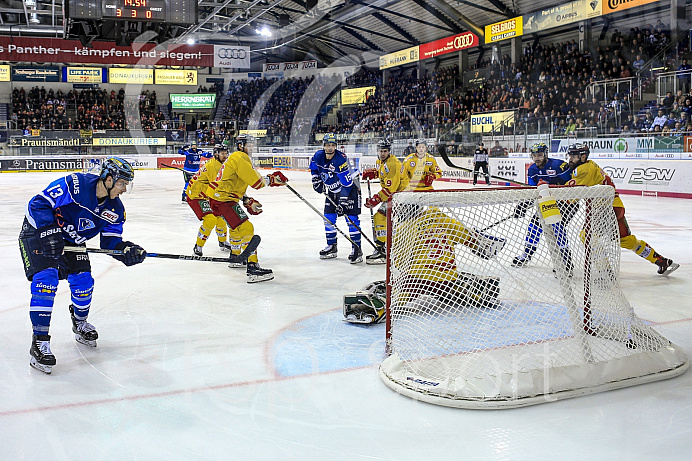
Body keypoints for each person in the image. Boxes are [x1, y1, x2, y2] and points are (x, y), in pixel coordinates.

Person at [19, 157, 147, 374]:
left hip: (70, 241)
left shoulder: (115, 210)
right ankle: (39, 342)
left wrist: (125, 250)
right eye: (122, 183)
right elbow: (38, 204)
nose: (124, 189)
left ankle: (79, 322)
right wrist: (48, 231)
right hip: (39, 232)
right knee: (46, 280)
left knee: (84, 283)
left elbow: (109, 242)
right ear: (108, 179)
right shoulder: (75, 184)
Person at [566, 143, 679, 276]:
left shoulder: (583, 169)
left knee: (587, 236)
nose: (570, 159)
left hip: (604, 208)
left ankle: (605, 271)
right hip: (615, 206)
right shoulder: (591, 164)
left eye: (573, 156)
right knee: (626, 240)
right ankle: (661, 261)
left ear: (583, 157)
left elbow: (572, 197)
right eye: (570, 156)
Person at [207, 134, 288, 283]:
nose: (252, 147)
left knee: (237, 228)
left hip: (221, 198)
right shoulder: (240, 157)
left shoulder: (236, 158)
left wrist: (245, 199)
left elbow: (236, 181)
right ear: (240, 145)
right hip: (223, 200)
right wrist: (271, 179)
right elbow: (256, 182)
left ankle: (235, 256)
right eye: (249, 145)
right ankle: (253, 268)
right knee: (247, 229)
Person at [391, 204, 505, 309]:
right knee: (449, 286)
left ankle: (382, 305)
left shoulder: (403, 229)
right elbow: (466, 236)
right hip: (448, 275)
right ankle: (477, 291)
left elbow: (400, 264)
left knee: (394, 293)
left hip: (419, 278)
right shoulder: (437, 215)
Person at [512, 143, 575, 269]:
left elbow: (571, 185)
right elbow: (533, 192)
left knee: (557, 226)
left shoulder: (558, 165)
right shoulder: (532, 170)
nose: (537, 158)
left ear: (546, 154)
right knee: (534, 225)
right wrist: (523, 205)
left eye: (540, 155)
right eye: (534, 155)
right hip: (548, 204)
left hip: (566, 203)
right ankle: (527, 254)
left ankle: (565, 259)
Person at [310, 133, 363, 264]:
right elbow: (314, 168)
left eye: (333, 145)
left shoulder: (340, 160)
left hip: (350, 190)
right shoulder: (318, 156)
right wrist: (316, 180)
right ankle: (332, 246)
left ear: (336, 146)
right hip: (333, 189)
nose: (330, 148)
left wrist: (343, 202)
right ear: (324, 146)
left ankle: (357, 249)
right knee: (328, 218)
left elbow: (347, 184)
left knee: (351, 220)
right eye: (328, 145)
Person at [361, 139, 407, 264]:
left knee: (381, 217)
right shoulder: (382, 161)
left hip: (401, 196)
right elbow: (383, 173)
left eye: (385, 151)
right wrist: (374, 173)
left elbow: (391, 188)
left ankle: (382, 250)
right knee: (384, 219)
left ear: (389, 151)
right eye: (381, 151)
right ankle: (385, 247)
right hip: (396, 195)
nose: (382, 153)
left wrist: (376, 199)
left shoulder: (393, 163)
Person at [185, 144, 233, 257]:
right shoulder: (214, 166)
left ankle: (222, 242)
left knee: (221, 217)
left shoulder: (219, 164)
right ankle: (198, 246)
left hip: (205, 194)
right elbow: (216, 186)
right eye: (222, 153)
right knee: (210, 219)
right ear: (216, 154)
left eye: (226, 153)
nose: (225, 156)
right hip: (196, 196)